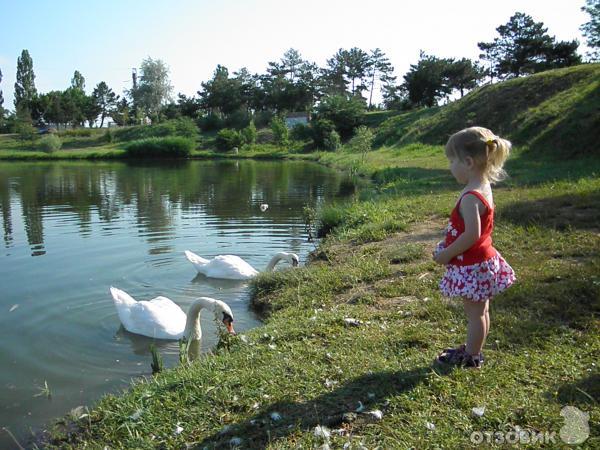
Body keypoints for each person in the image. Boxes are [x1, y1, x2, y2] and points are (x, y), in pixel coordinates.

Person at [433, 126, 515, 369]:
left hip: (472, 263)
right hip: (482, 260)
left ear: (467, 162)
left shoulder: (470, 197)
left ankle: (471, 357)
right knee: (482, 311)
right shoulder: (484, 185)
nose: (450, 167)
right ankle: (474, 350)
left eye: (451, 161)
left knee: (475, 315)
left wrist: (447, 254)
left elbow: (472, 234)